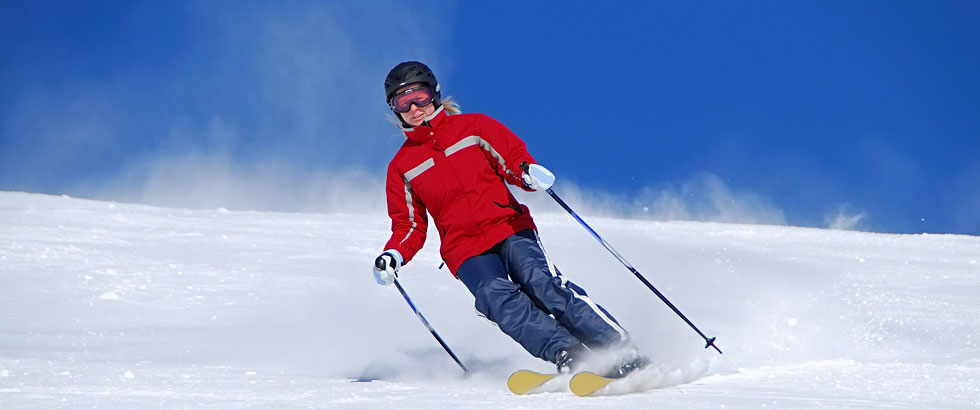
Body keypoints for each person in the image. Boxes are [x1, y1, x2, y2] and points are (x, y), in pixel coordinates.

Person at [372, 61, 647, 376]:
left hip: (508, 226)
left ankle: (617, 349)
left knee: (542, 284)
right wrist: (394, 253)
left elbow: (511, 159)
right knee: (496, 298)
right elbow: (409, 225)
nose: (414, 108)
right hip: (464, 248)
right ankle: (568, 354)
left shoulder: (473, 127)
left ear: (433, 94)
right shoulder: (402, 166)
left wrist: (527, 173)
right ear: (394, 110)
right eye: (402, 102)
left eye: (418, 96)